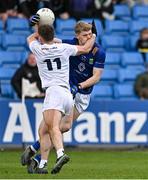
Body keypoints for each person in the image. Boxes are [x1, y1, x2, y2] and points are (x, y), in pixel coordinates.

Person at [21, 20, 105, 174]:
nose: (87, 37)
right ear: (77, 36)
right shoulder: (69, 44)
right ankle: (41, 160)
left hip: (82, 93)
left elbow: (96, 77)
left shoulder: (99, 52)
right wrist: (40, 25)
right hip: (66, 91)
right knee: (51, 127)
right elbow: (50, 39)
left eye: (89, 34)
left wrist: (79, 86)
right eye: (84, 34)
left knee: (62, 127)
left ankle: (35, 148)